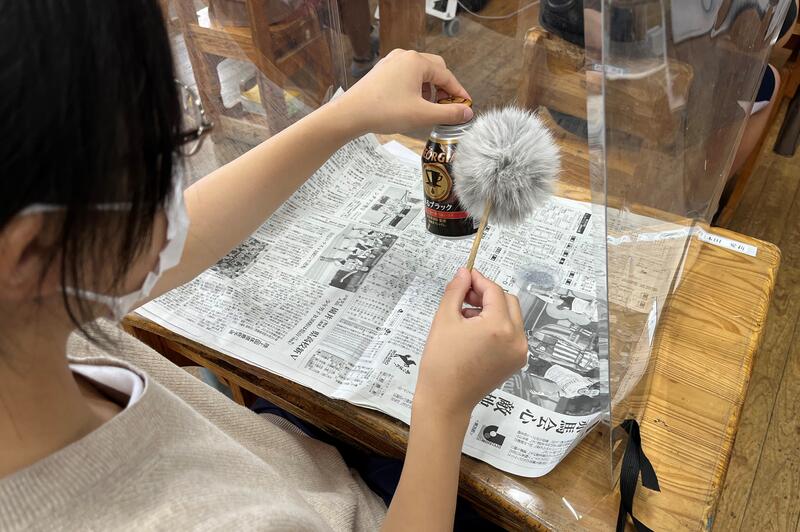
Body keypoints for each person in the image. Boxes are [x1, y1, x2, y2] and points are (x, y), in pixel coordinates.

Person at [0, 1, 527, 531]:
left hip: (292, 461)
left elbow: (164, 240)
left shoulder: (31, 319)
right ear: (31, 250)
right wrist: (443, 408)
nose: (174, 182)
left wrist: (350, 114)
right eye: (159, 148)